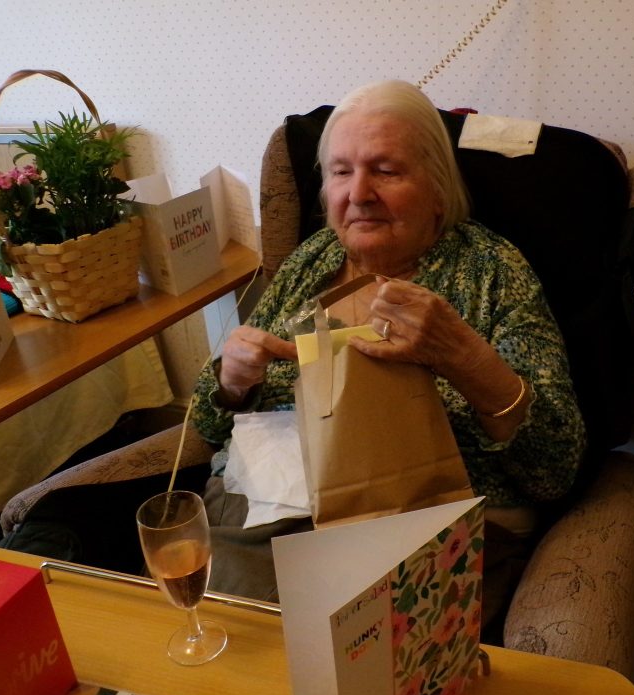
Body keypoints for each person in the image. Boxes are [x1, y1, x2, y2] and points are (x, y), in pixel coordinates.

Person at [191, 79, 585, 640]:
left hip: (416, 529)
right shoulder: (314, 259)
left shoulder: (492, 271)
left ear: (439, 188)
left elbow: (555, 469)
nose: (359, 193)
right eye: (341, 171)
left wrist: (463, 356)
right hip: (260, 513)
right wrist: (232, 383)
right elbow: (207, 424)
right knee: (200, 644)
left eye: (387, 170)